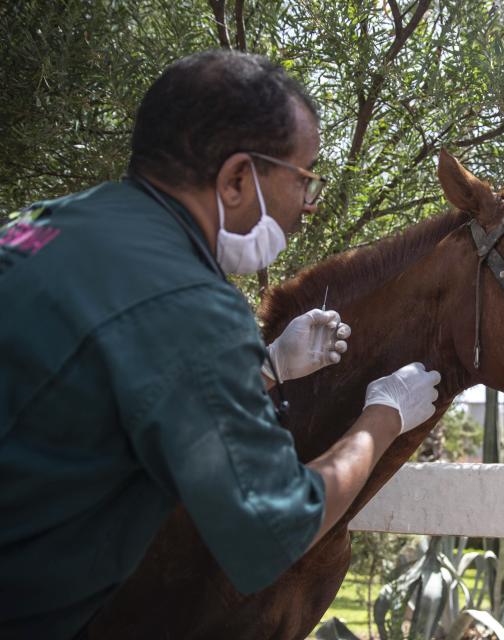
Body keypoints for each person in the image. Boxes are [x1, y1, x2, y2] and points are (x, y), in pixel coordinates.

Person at [0, 50, 441, 639]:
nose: (308, 208)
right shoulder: (194, 304)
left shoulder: (39, 224)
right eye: (304, 179)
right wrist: (385, 415)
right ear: (237, 179)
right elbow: (273, 528)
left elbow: (100, 391)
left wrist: (266, 367)